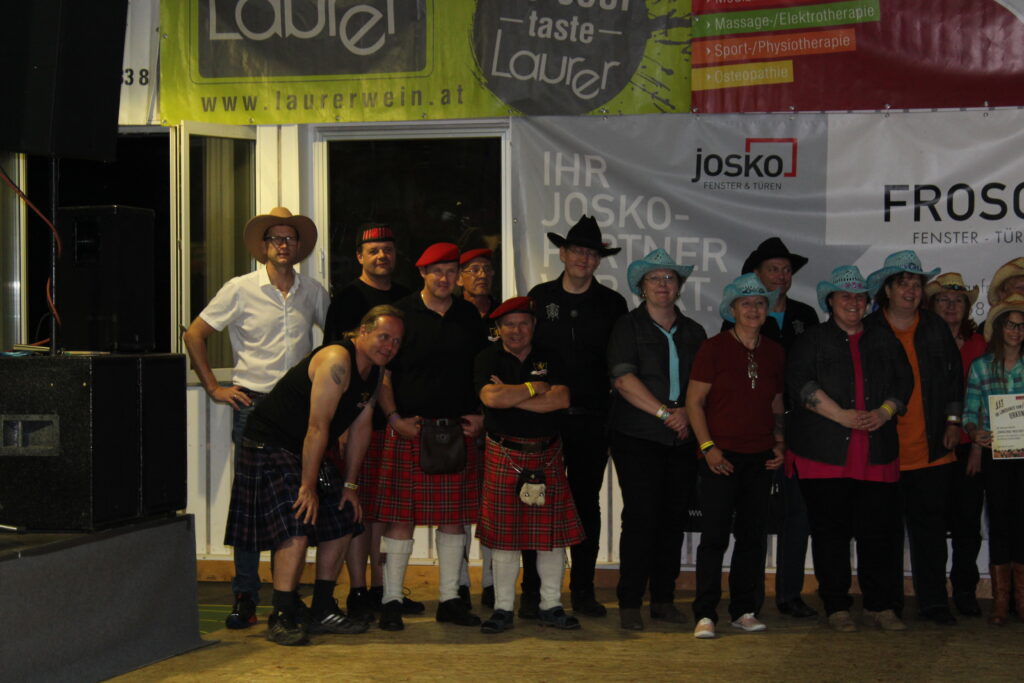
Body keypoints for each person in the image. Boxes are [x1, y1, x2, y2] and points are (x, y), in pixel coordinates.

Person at [182, 206, 329, 629]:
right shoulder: (239, 289)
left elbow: (336, 340)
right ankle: (245, 594)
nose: (283, 245)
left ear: (299, 247)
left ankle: (287, 593)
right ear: (264, 247)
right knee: (249, 503)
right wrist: (214, 387)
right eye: (276, 238)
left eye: (290, 238)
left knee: (298, 498)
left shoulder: (313, 291)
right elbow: (194, 334)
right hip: (253, 406)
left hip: (298, 409)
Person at [223, 305, 404, 645]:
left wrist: (350, 486)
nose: (389, 346)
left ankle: (322, 608)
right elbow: (318, 427)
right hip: (270, 443)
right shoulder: (337, 360)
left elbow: (361, 428)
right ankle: (282, 613)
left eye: (396, 341)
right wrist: (307, 486)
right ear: (363, 331)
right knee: (298, 519)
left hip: (304, 448)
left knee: (344, 514)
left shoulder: (375, 371)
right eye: (384, 337)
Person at [786, 266, 913, 633]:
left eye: (860, 296)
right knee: (830, 534)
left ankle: (879, 605)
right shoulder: (810, 340)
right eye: (846, 296)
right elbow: (799, 382)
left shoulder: (884, 339)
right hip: (824, 456)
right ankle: (836, 606)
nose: (854, 302)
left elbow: (904, 381)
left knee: (878, 535)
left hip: (876, 453)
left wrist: (885, 412)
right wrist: (840, 415)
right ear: (830, 301)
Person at [371, 243, 489, 631]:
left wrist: (481, 414)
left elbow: (482, 370)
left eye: (451, 271)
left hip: (457, 430)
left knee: (454, 519)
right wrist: (393, 418)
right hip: (411, 429)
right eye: (436, 271)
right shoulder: (401, 313)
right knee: (399, 519)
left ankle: (450, 600)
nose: (444, 278)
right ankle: (391, 600)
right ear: (422, 273)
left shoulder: (469, 315)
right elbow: (382, 374)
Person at [525, 215, 628, 619]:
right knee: (535, 500)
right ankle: (532, 591)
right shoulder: (539, 297)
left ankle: (583, 589)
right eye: (577, 251)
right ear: (563, 254)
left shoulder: (613, 304)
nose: (584, 259)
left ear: (599, 260)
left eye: (591, 253)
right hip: (543, 419)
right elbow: (525, 353)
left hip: (592, 419)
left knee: (586, 503)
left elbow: (619, 366)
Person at [321, 223, 419, 621]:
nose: (382, 256)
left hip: (392, 419)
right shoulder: (347, 299)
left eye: (388, 250)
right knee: (357, 508)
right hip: (356, 416)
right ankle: (358, 591)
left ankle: (383, 590)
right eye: (374, 250)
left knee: (384, 510)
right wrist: (342, 424)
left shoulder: (406, 297)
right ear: (360, 256)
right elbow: (334, 358)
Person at [607, 249, 706, 631]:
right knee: (640, 518)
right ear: (641, 287)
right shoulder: (627, 326)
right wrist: (667, 414)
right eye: (655, 278)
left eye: (670, 278)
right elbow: (623, 379)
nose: (663, 284)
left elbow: (704, 384)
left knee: (674, 519)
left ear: (679, 286)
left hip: (682, 439)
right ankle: (630, 601)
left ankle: (663, 599)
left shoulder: (695, 331)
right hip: (638, 436)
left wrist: (688, 416)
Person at [475, 296, 584, 633]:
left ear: (534, 325)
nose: (516, 330)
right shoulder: (486, 357)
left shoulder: (552, 355)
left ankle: (551, 605)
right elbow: (490, 398)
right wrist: (534, 389)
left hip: (546, 453)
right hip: (504, 452)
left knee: (550, 537)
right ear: (498, 328)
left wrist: (511, 397)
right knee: (504, 538)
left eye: (523, 323)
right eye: (509, 324)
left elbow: (561, 399)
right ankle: (503, 609)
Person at [866, 250, 963, 626]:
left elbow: (954, 381)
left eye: (916, 284)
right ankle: (887, 603)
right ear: (887, 290)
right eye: (903, 283)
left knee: (931, 534)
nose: (910, 290)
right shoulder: (869, 329)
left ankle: (934, 602)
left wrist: (953, 422)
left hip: (932, 449)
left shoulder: (936, 327)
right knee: (883, 535)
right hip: (883, 450)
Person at [686, 272, 786, 638]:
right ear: (732, 309)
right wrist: (708, 448)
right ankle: (705, 613)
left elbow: (776, 403)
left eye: (760, 303)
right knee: (714, 537)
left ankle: (744, 610)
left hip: (760, 457)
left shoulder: (774, 352)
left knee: (752, 537)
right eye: (746, 303)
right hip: (720, 456)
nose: (754, 309)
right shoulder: (712, 349)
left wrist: (779, 442)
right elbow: (694, 403)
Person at [729, 237, 820, 619]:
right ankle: (747, 599)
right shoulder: (739, 317)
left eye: (786, 269)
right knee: (751, 516)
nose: (782, 276)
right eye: (773, 269)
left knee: (797, 512)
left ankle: (789, 594)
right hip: (752, 427)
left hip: (801, 426)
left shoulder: (806, 315)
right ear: (756, 274)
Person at [926, 273, 987, 617]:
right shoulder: (922, 341)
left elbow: (989, 396)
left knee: (967, 524)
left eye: (958, 300)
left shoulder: (980, 344)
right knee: (930, 522)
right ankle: (932, 592)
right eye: (944, 300)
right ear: (932, 305)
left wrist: (977, 444)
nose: (951, 306)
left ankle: (965, 589)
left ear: (967, 307)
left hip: (969, 446)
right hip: (929, 444)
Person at [963, 293, 1024, 626]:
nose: (1016, 331)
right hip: (995, 455)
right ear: (999, 328)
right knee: (999, 523)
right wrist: (975, 434)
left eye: (1021, 326)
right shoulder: (981, 366)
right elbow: (970, 411)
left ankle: (1020, 600)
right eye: (1010, 325)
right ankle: (1001, 602)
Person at [457, 247, 499, 609]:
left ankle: (491, 582)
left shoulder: (504, 318)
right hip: (461, 422)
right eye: (473, 269)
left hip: (498, 421)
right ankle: (457, 583)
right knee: (456, 507)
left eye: (486, 268)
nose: (482, 275)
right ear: (459, 278)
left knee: (493, 506)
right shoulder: (452, 315)